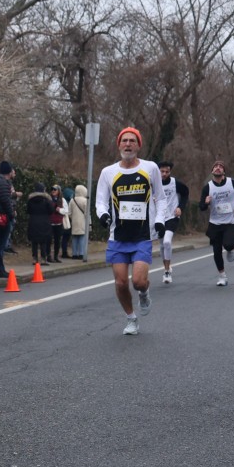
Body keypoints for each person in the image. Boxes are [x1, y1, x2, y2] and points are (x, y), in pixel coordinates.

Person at [94, 127, 167, 335]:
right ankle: (131, 318)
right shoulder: (108, 172)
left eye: (132, 141)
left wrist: (160, 220)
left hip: (142, 235)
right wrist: (103, 215)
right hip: (118, 236)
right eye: (124, 140)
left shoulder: (150, 168)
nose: (128, 144)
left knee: (138, 281)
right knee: (120, 282)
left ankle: (144, 292)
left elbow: (161, 199)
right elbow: (100, 201)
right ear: (119, 145)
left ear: (138, 146)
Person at [198, 160, 234, 286]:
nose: (218, 168)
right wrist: (206, 202)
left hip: (231, 221)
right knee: (216, 251)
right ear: (212, 171)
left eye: (221, 167)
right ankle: (222, 275)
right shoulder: (208, 187)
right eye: (215, 166)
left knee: (229, 244)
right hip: (215, 223)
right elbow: (201, 207)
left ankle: (230, 249)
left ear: (224, 171)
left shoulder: (233, 183)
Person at [156, 161, 189, 283]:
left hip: (172, 216)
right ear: (158, 171)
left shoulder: (175, 183)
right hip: (159, 218)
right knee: (161, 245)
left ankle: (166, 272)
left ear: (170, 172)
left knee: (167, 242)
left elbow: (185, 193)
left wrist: (180, 207)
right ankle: (167, 266)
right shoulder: (153, 183)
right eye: (162, 171)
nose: (164, 174)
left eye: (167, 172)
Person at [26, 182, 54, 265]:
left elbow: (28, 210)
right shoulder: (47, 200)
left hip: (33, 221)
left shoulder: (31, 200)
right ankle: (43, 258)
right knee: (43, 241)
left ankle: (35, 258)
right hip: (44, 221)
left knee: (34, 241)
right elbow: (51, 210)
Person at [68, 184, 89, 259]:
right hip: (82, 221)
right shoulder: (85, 200)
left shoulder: (72, 200)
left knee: (74, 238)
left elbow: (69, 213)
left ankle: (74, 254)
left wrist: (73, 218)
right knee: (82, 237)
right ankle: (81, 253)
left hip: (74, 222)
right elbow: (87, 213)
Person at [48, 184, 67, 263]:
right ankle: (48, 256)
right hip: (50, 223)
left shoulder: (62, 200)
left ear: (59, 191)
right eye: (52, 189)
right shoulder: (49, 199)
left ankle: (56, 256)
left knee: (57, 241)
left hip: (58, 223)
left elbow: (66, 211)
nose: (53, 191)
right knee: (48, 240)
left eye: (55, 189)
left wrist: (59, 210)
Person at [59, 185, 73, 259]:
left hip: (62, 221)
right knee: (65, 237)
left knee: (63, 238)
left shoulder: (63, 200)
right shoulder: (67, 201)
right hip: (65, 221)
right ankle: (64, 252)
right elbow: (67, 211)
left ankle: (64, 252)